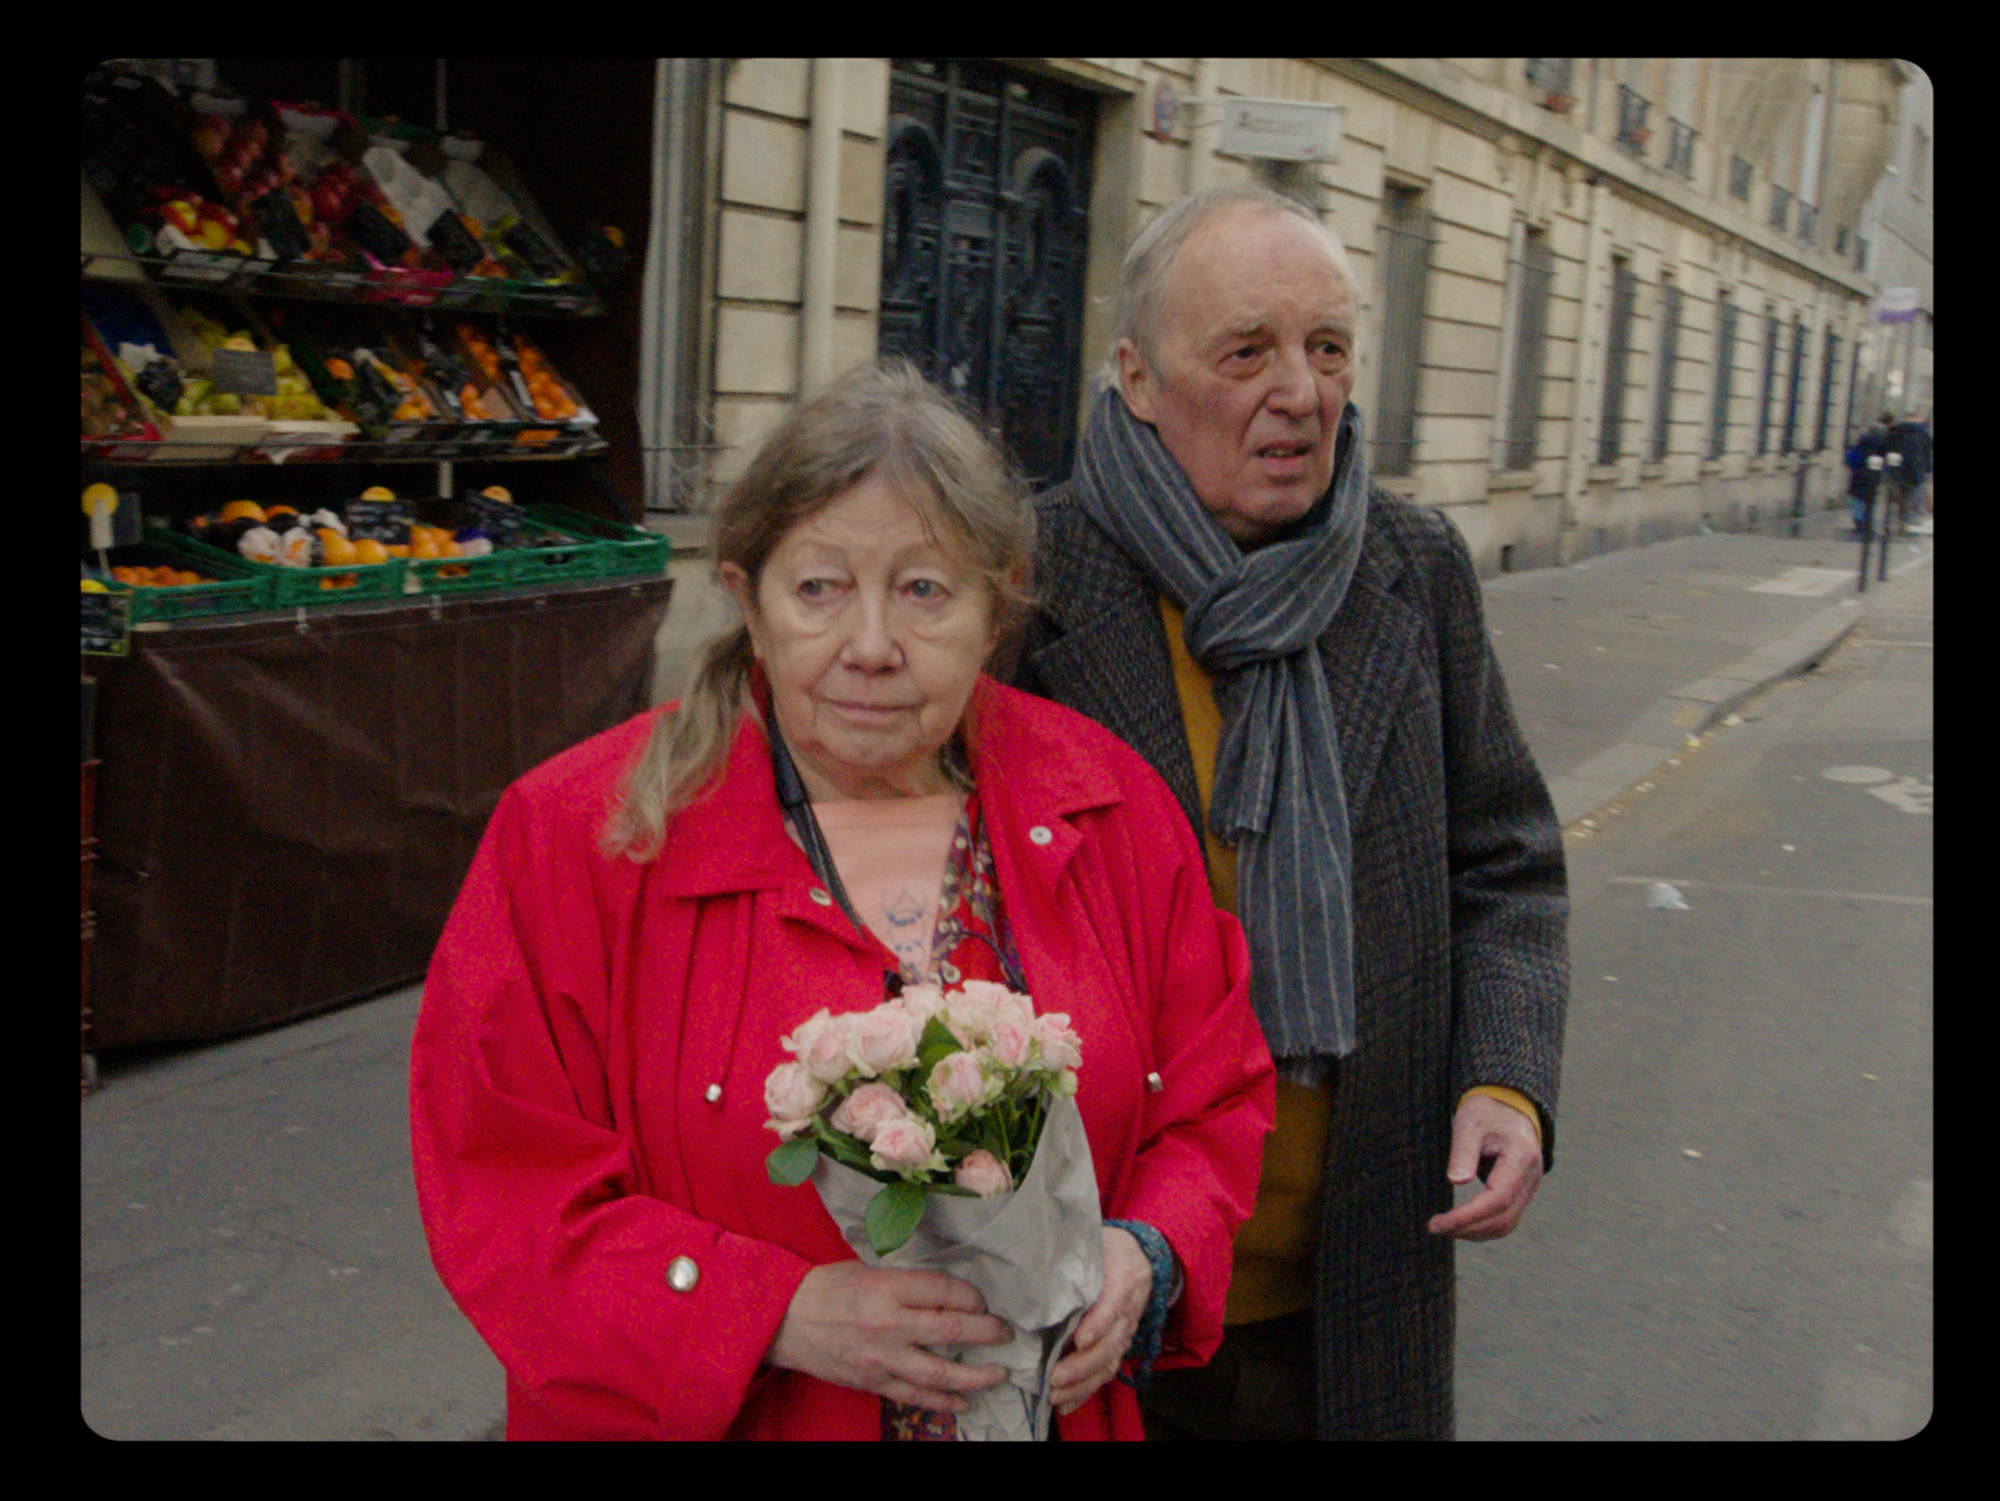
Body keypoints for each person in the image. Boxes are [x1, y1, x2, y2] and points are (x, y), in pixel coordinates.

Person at [410, 362, 1274, 1441]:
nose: (870, 647)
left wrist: (1143, 1250)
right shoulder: (578, 836)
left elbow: (1212, 1094)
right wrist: (768, 1311)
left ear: (995, 607)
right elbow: (501, 1192)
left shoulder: (1106, 808)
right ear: (748, 600)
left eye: (924, 590)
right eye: (819, 588)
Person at [1010, 186, 1570, 1440]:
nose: (1302, 393)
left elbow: (1507, 861)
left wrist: (1504, 1079)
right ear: (1137, 377)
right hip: (1088, 1289)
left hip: (1355, 1276)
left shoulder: (1410, 569)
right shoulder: (1021, 582)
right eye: (1247, 351)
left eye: (1326, 348)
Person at [1847, 414, 1891, 538]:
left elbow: (1851, 460)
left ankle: (1859, 524)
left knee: (1857, 500)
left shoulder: (1862, 443)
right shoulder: (1883, 446)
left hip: (1859, 475)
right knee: (1869, 501)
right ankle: (1867, 525)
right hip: (1874, 477)